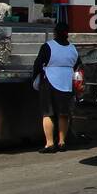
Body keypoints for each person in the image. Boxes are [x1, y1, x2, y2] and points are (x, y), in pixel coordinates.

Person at [31, 22, 82, 153]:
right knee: (64, 114)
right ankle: (62, 142)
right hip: (67, 82)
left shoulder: (48, 46)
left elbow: (37, 64)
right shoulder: (73, 48)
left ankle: (49, 143)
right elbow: (78, 65)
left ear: (54, 32)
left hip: (50, 80)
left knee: (48, 113)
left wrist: (35, 77)